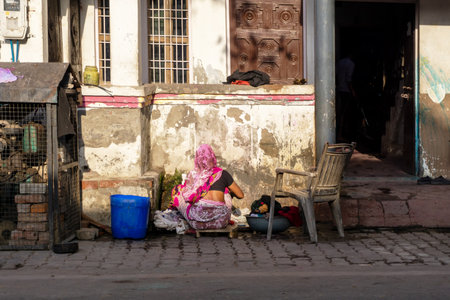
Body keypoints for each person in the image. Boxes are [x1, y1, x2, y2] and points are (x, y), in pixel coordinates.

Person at [171, 144, 244, 230]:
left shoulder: (193, 175)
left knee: (178, 193)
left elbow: (187, 197)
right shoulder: (222, 173)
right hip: (220, 222)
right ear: (212, 156)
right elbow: (240, 195)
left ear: (197, 159)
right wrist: (229, 193)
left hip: (198, 223)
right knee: (226, 193)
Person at [336, 50, 357, 142]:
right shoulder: (351, 64)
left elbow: (336, 75)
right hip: (346, 91)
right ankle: (341, 134)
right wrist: (353, 91)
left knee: (340, 113)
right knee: (344, 113)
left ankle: (340, 134)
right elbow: (349, 79)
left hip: (339, 89)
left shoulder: (340, 62)